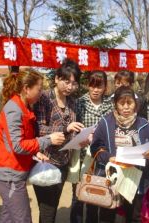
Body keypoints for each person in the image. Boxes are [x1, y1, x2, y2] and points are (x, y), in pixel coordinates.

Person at [0, 69, 66, 223]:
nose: (41, 93)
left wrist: (35, 154)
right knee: (23, 218)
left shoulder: (24, 107)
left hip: (15, 172)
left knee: (8, 216)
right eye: (39, 89)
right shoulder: (14, 109)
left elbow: (24, 141)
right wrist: (48, 140)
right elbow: (18, 145)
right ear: (26, 88)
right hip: (10, 175)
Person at [90, 86, 149, 223]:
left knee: (133, 217)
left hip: (136, 180)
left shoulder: (144, 124)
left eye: (129, 103)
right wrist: (108, 157)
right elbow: (95, 147)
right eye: (121, 103)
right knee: (107, 215)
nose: (126, 107)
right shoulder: (105, 122)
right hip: (112, 177)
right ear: (115, 105)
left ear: (135, 105)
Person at [34, 58, 85, 223]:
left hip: (63, 162)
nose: (70, 87)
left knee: (52, 206)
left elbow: (72, 131)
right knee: (47, 210)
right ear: (56, 78)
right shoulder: (44, 98)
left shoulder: (72, 102)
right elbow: (40, 129)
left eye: (74, 83)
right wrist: (65, 128)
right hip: (46, 161)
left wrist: (82, 138)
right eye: (66, 81)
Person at [69, 70, 113, 223]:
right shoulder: (79, 103)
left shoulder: (110, 105)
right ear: (87, 85)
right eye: (92, 85)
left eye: (99, 86)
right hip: (81, 156)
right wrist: (79, 138)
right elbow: (72, 128)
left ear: (105, 87)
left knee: (95, 195)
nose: (95, 90)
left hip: (99, 157)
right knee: (78, 195)